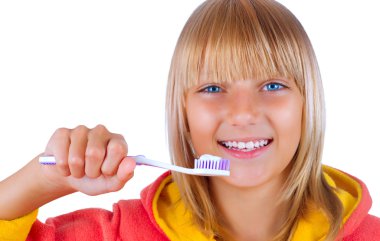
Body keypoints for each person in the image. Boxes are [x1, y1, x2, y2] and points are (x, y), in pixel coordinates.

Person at [0, 0, 379, 240]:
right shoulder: (114, 235)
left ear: (307, 105)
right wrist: (43, 179)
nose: (243, 112)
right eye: (213, 88)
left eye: (274, 84)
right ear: (182, 111)